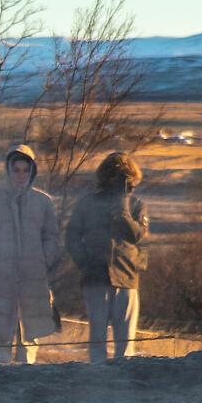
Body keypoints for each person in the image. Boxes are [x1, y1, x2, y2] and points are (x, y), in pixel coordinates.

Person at [0, 143, 61, 364]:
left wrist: (44, 260)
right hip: (1, 275)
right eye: (16, 170)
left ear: (32, 171)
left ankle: (26, 372)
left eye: (25, 170)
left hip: (33, 276)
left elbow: (51, 235)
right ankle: (0, 371)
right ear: (8, 170)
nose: (21, 175)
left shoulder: (43, 202)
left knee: (30, 331)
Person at [64, 151, 150, 362]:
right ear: (107, 177)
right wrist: (84, 263)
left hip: (127, 278)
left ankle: (123, 377)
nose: (123, 183)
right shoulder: (88, 203)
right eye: (118, 177)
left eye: (127, 179)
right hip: (96, 279)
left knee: (126, 344)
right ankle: (97, 375)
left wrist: (123, 207)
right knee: (97, 339)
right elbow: (72, 235)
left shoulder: (135, 204)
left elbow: (137, 236)